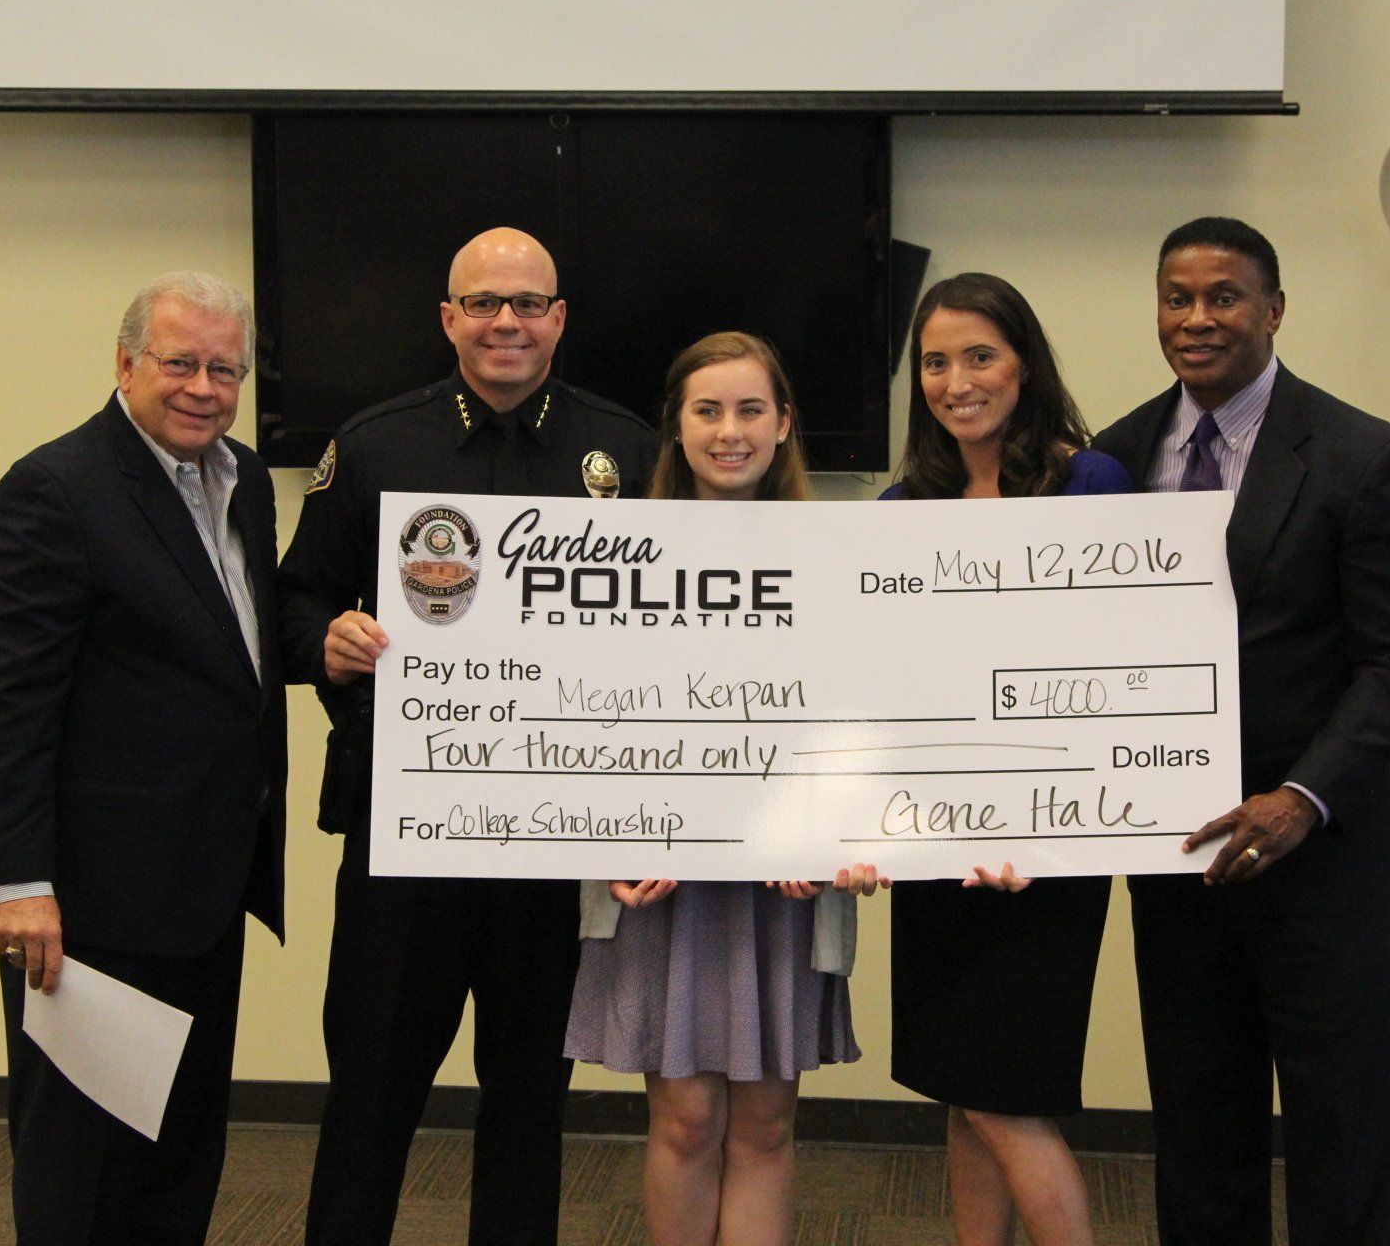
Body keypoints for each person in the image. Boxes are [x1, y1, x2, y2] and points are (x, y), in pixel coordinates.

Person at [279, 227, 658, 1246]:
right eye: (485, 301)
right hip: (404, 837)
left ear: (560, 318)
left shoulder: (625, 450)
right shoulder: (372, 445)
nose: (507, 321)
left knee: (531, 1101)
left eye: (529, 302)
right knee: (370, 1092)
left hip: (549, 845)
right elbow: (291, 605)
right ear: (448, 317)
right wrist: (330, 640)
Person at [1091, 217, 1390, 1245]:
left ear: (1273, 309)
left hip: (1312, 861)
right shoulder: (1112, 459)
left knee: (1342, 1136)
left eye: (1224, 295)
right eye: (1176, 296)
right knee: (1200, 1135)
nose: (1196, 318)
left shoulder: (1363, 457)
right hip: (1178, 863)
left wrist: (1303, 796)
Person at [0, 271, 285, 1244]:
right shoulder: (55, 489)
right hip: (89, 905)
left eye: (223, 368)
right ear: (125, 364)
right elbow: (7, 705)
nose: (203, 387)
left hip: (206, 885)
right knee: (80, 1168)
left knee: (179, 1155)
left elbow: (235, 661)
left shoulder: (248, 481)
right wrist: (21, 881)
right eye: (180, 362)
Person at [563, 331, 880, 1246]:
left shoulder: (842, 562)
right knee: (687, 1120)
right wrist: (608, 845)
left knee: (769, 1125)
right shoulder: (614, 558)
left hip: (787, 887)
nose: (729, 431)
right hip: (660, 887)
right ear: (677, 426)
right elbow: (581, 720)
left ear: (785, 425)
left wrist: (835, 838)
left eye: (751, 410)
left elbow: (865, 720)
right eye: (707, 410)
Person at [879, 273, 1127, 1246]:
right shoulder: (903, 509)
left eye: (979, 354)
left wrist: (1033, 817)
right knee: (961, 1087)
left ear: (1024, 361)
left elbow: (1117, 668)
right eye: (936, 361)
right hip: (941, 851)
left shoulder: (1089, 484)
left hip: (1047, 853)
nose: (956, 380)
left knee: (1006, 1096)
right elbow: (889, 687)